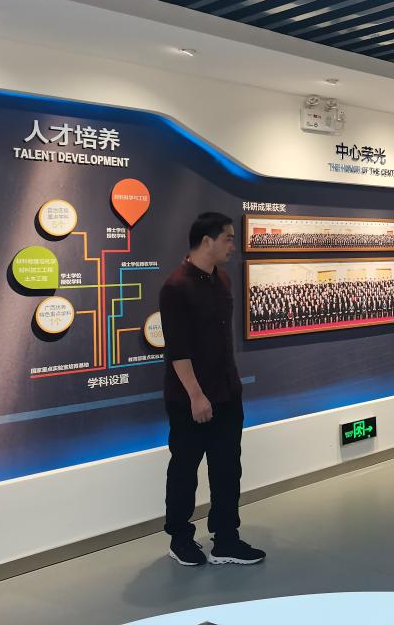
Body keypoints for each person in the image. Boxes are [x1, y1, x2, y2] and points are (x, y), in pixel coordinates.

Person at [160, 212, 266, 566]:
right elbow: (178, 351)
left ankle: (226, 539)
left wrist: (228, 388)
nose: (233, 245)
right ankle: (180, 538)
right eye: (228, 238)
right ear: (207, 241)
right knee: (184, 470)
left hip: (227, 393)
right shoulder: (175, 287)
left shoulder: (222, 279)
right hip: (190, 399)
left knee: (227, 469)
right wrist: (196, 396)